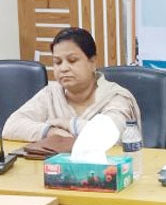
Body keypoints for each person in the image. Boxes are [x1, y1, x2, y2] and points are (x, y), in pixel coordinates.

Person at [2, 27, 140, 141]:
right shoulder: (51, 94)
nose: (63, 68)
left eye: (72, 60)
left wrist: (69, 125)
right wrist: (50, 131)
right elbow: (11, 126)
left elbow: (110, 133)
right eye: (57, 62)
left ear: (92, 62)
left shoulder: (115, 97)